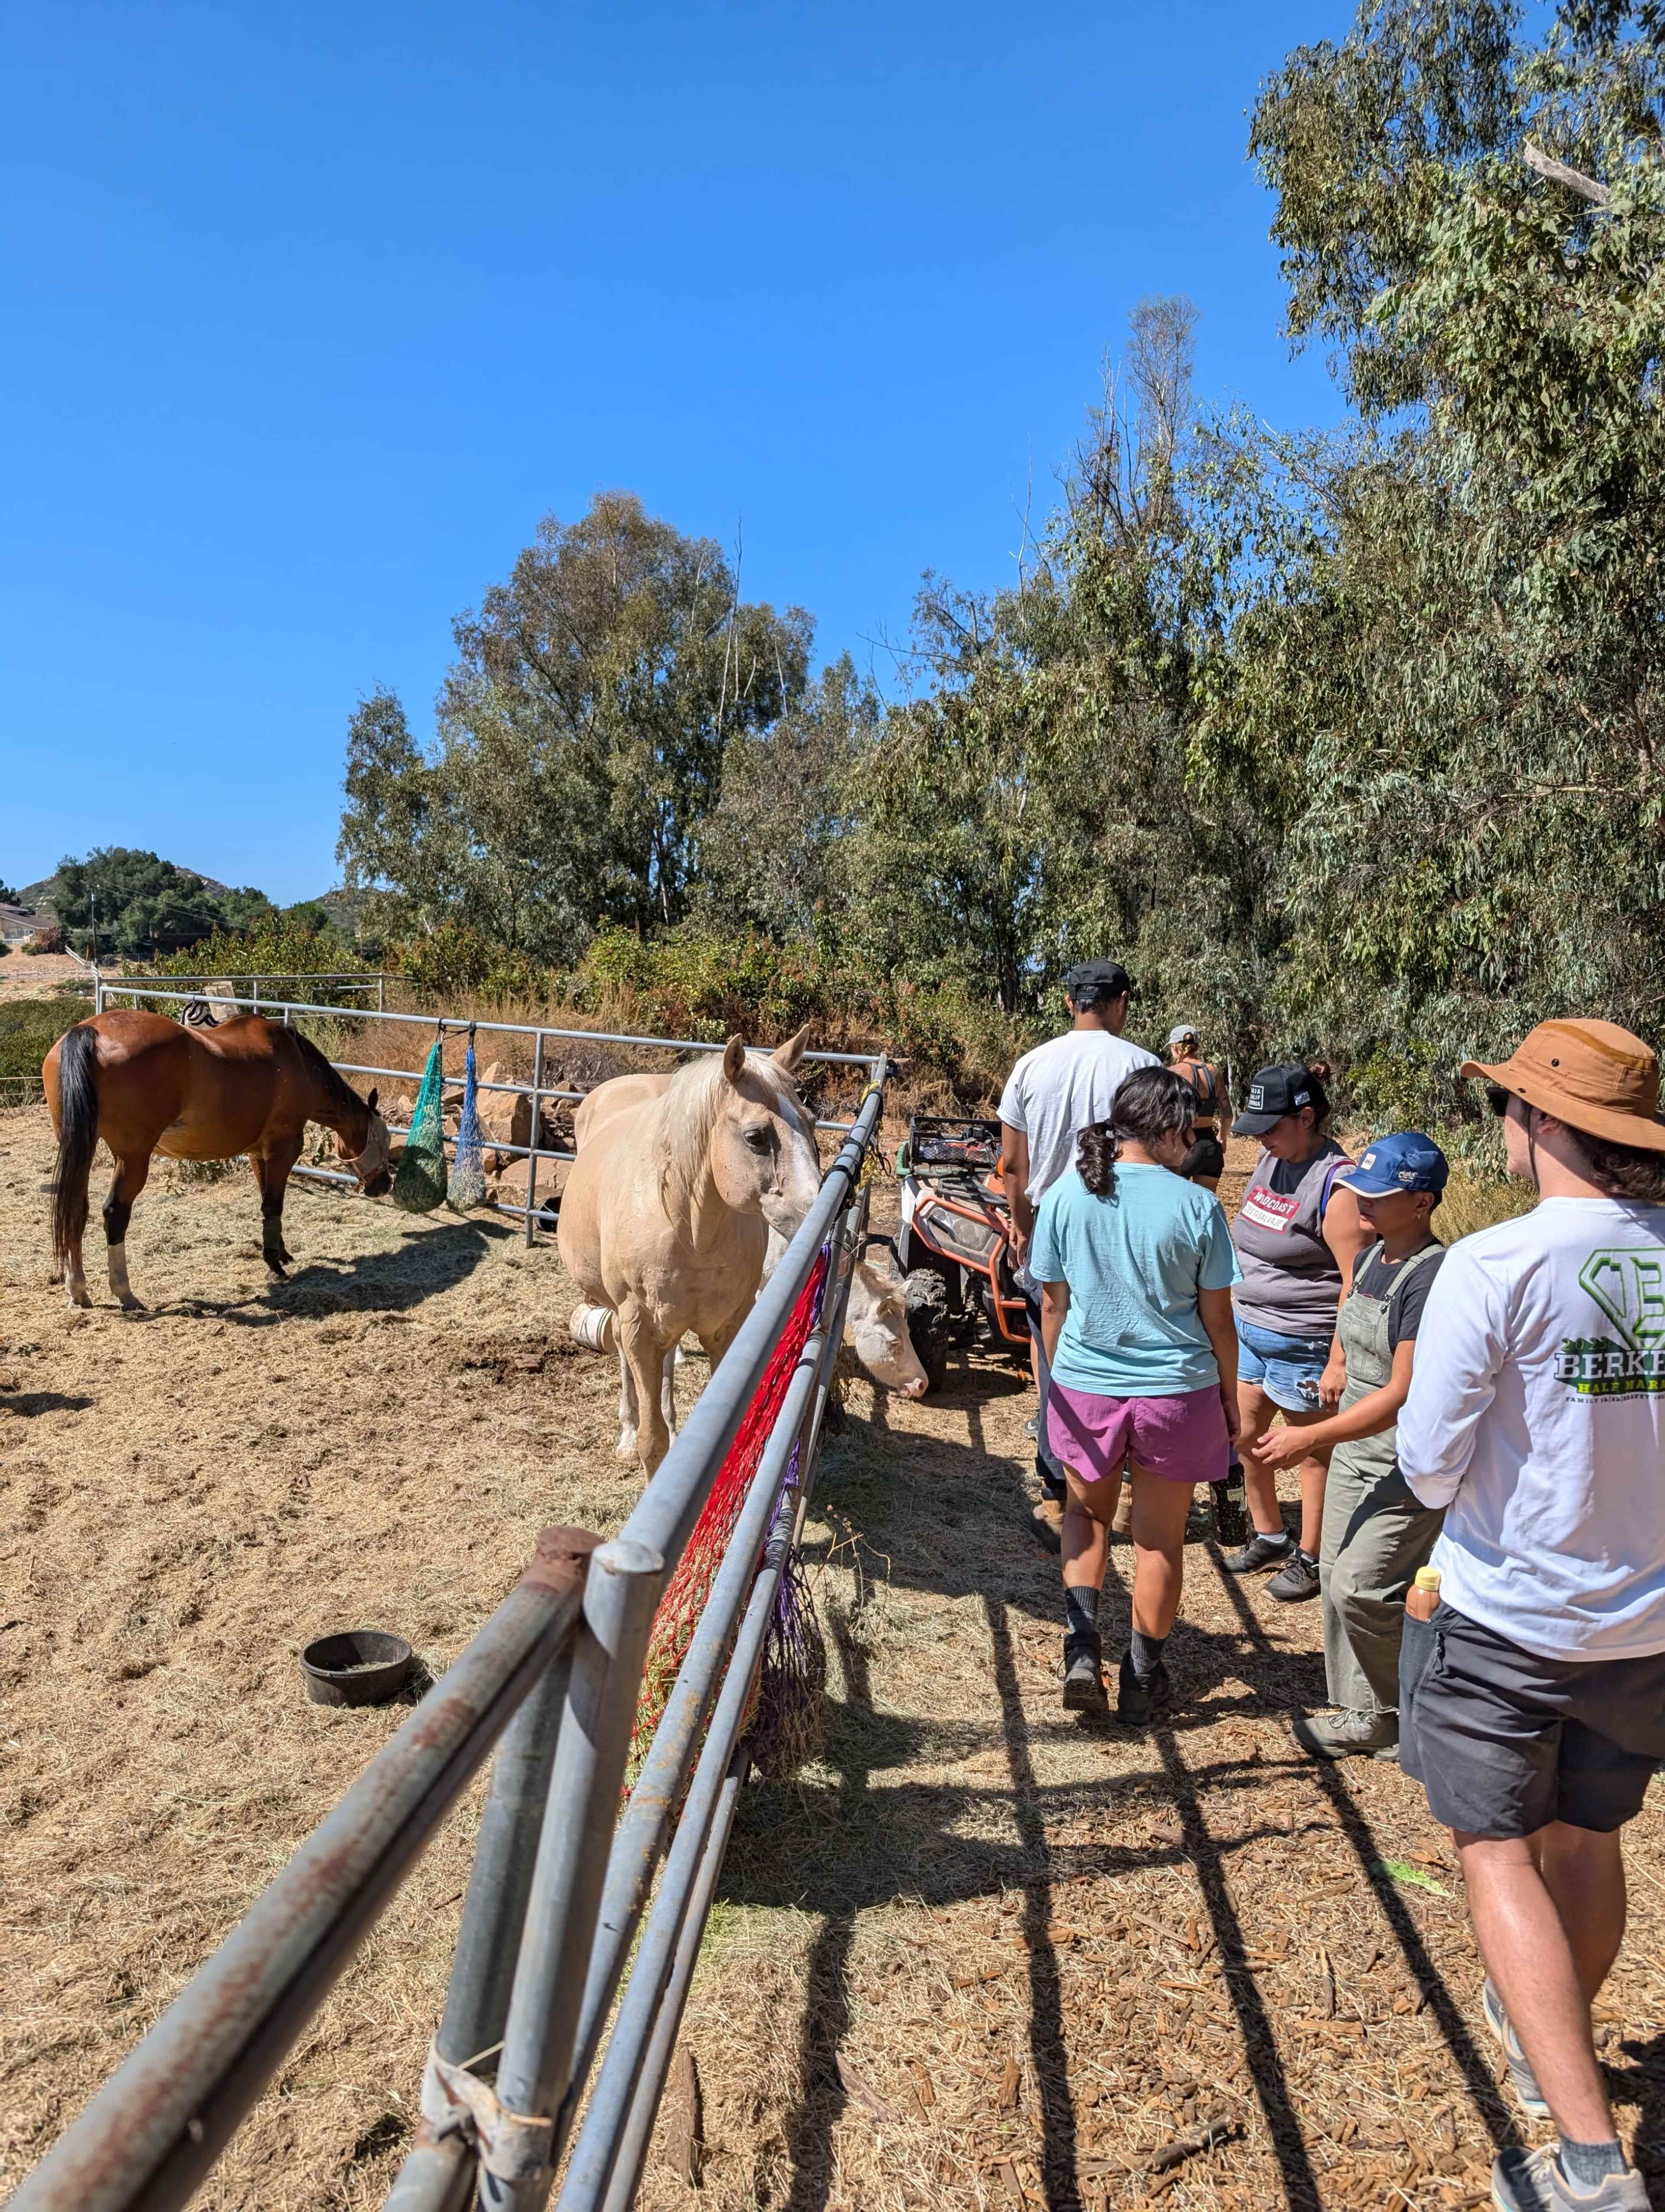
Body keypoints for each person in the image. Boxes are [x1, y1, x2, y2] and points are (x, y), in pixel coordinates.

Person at [1397, 1021, 1665, 2212]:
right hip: (1646, 1624)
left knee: (1497, 1846)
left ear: (1543, 1124)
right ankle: (1554, 2035)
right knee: (1589, 1837)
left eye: (1511, 1103)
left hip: (1511, 1612)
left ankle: (1594, 2165)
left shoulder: (1495, 1263)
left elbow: (1426, 1464)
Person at [1029, 1066, 1241, 1722]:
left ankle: (1082, 1649)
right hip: (1176, 1394)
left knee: (1085, 1518)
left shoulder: (1068, 1196)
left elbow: (1052, 1307)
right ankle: (1144, 1676)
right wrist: (1231, 1403)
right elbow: (1219, 1325)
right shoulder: (1199, 1207)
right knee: (1158, 1542)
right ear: (1174, 1128)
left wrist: (1052, 1395)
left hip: (1087, 1387)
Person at [1250, 1131, 1449, 1760]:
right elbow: (1348, 1306)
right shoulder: (1371, 1258)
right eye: (1360, 1188)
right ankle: (1362, 1712)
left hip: (1400, 1453)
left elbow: (1401, 1394)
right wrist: (1336, 1360)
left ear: (1421, 1201)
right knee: (1335, 1577)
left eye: (1380, 1193)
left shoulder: (1431, 1276)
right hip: (1354, 1447)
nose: (1362, 1202)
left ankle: (1408, 1707)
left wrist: (1310, 1435)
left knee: (1361, 1585)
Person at [999, 961, 1159, 1527]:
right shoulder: (1143, 1065)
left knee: (1053, 1345)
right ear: (1120, 1002)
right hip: (1123, 1221)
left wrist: (1021, 1226)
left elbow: (1013, 1165)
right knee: (1123, 1340)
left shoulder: (1030, 1066)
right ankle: (1122, 1464)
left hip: (1050, 1221)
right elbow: (1161, 1154)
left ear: (1070, 1002)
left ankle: (1057, 1473)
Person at [1225, 1062, 1370, 1599]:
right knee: (1246, 1436)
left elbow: (1354, 1282)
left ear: (1306, 1117)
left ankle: (1312, 1556)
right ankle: (1270, 1534)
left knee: (1312, 1454)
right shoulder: (1271, 1158)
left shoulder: (1338, 1185)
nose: (1260, 1137)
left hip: (1306, 1340)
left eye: (1271, 1126)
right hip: (1251, 1330)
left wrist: (1338, 1360)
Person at [1165, 1024, 1231, 1189]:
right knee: (1206, 1205)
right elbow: (1228, 1113)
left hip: (1185, 1145)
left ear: (1176, 1047)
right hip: (1210, 1146)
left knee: (1173, 1200)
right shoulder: (1213, 1071)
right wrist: (1222, 1137)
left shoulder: (1173, 1072)